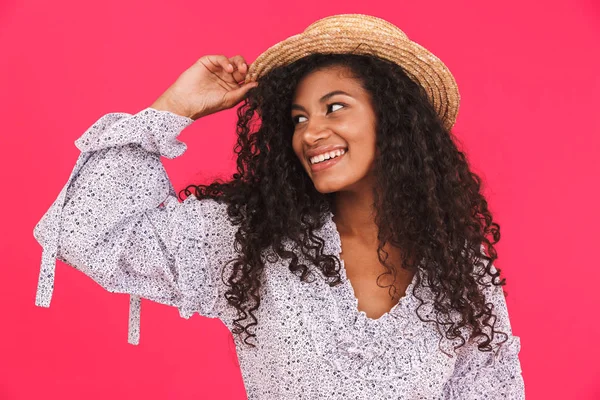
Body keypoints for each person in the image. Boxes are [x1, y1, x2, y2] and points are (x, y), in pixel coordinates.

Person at [33, 14, 524, 400]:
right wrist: (172, 108)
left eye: (335, 107)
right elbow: (85, 231)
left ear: (394, 121)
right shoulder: (252, 240)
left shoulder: (461, 271)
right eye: (298, 118)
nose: (310, 133)